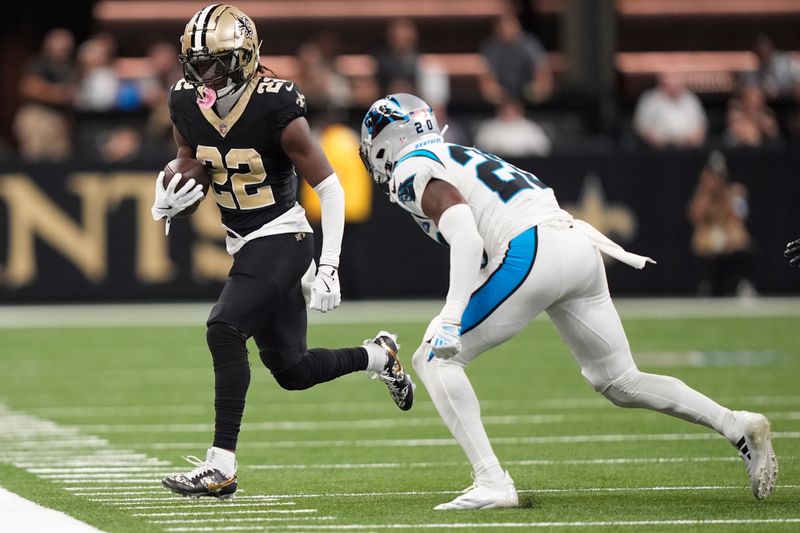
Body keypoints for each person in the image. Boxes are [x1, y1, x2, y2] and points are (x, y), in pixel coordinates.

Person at [359, 93, 778, 510]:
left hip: (531, 249)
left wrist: (451, 317)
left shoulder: (411, 167)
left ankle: (492, 480)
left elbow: (466, 235)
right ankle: (735, 424)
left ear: (385, 142)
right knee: (620, 381)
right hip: (575, 244)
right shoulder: (455, 152)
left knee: (434, 357)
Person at [152, 5, 414, 500]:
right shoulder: (185, 101)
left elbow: (331, 189)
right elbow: (189, 160)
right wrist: (169, 194)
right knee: (293, 371)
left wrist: (330, 265)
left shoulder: (276, 107)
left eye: (214, 62)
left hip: (283, 235)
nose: (202, 74)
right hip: (244, 242)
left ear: (246, 58)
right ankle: (379, 356)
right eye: (195, 62)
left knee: (224, 330)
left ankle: (221, 466)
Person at [687, 151, 755, 297]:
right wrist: (706, 190)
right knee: (702, 242)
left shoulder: (733, 192)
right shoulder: (701, 194)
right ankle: (707, 284)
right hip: (708, 232)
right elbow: (695, 217)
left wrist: (726, 194)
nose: (716, 180)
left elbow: (737, 217)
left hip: (727, 230)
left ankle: (740, 283)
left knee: (741, 239)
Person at [13, 28, 76, 161]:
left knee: (60, 161)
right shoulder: (39, 63)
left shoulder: (69, 67)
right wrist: (58, 94)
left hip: (59, 119)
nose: (63, 49)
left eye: (66, 46)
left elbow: (74, 92)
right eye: (60, 44)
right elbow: (28, 87)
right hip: (37, 116)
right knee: (35, 158)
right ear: (48, 45)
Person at [479, 13, 553, 106]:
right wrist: (492, 88)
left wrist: (538, 86)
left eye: (509, 26)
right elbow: (486, 74)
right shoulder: (491, 47)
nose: (505, 31)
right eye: (502, 28)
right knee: (492, 92)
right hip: (503, 94)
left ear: (517, 27)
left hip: (527, 91)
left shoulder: (530, 44)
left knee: (536, 91)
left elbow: (541, 69)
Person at [633, 72, 707, 149]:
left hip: (687, 149)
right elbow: (641, 128)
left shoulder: (690, 99)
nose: (673, 86)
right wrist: (657, 140)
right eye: (669, 83)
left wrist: (691, 138)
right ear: (662, 83)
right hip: (656, 151)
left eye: (677, 82)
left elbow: (700, 130)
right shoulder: (650, 99)